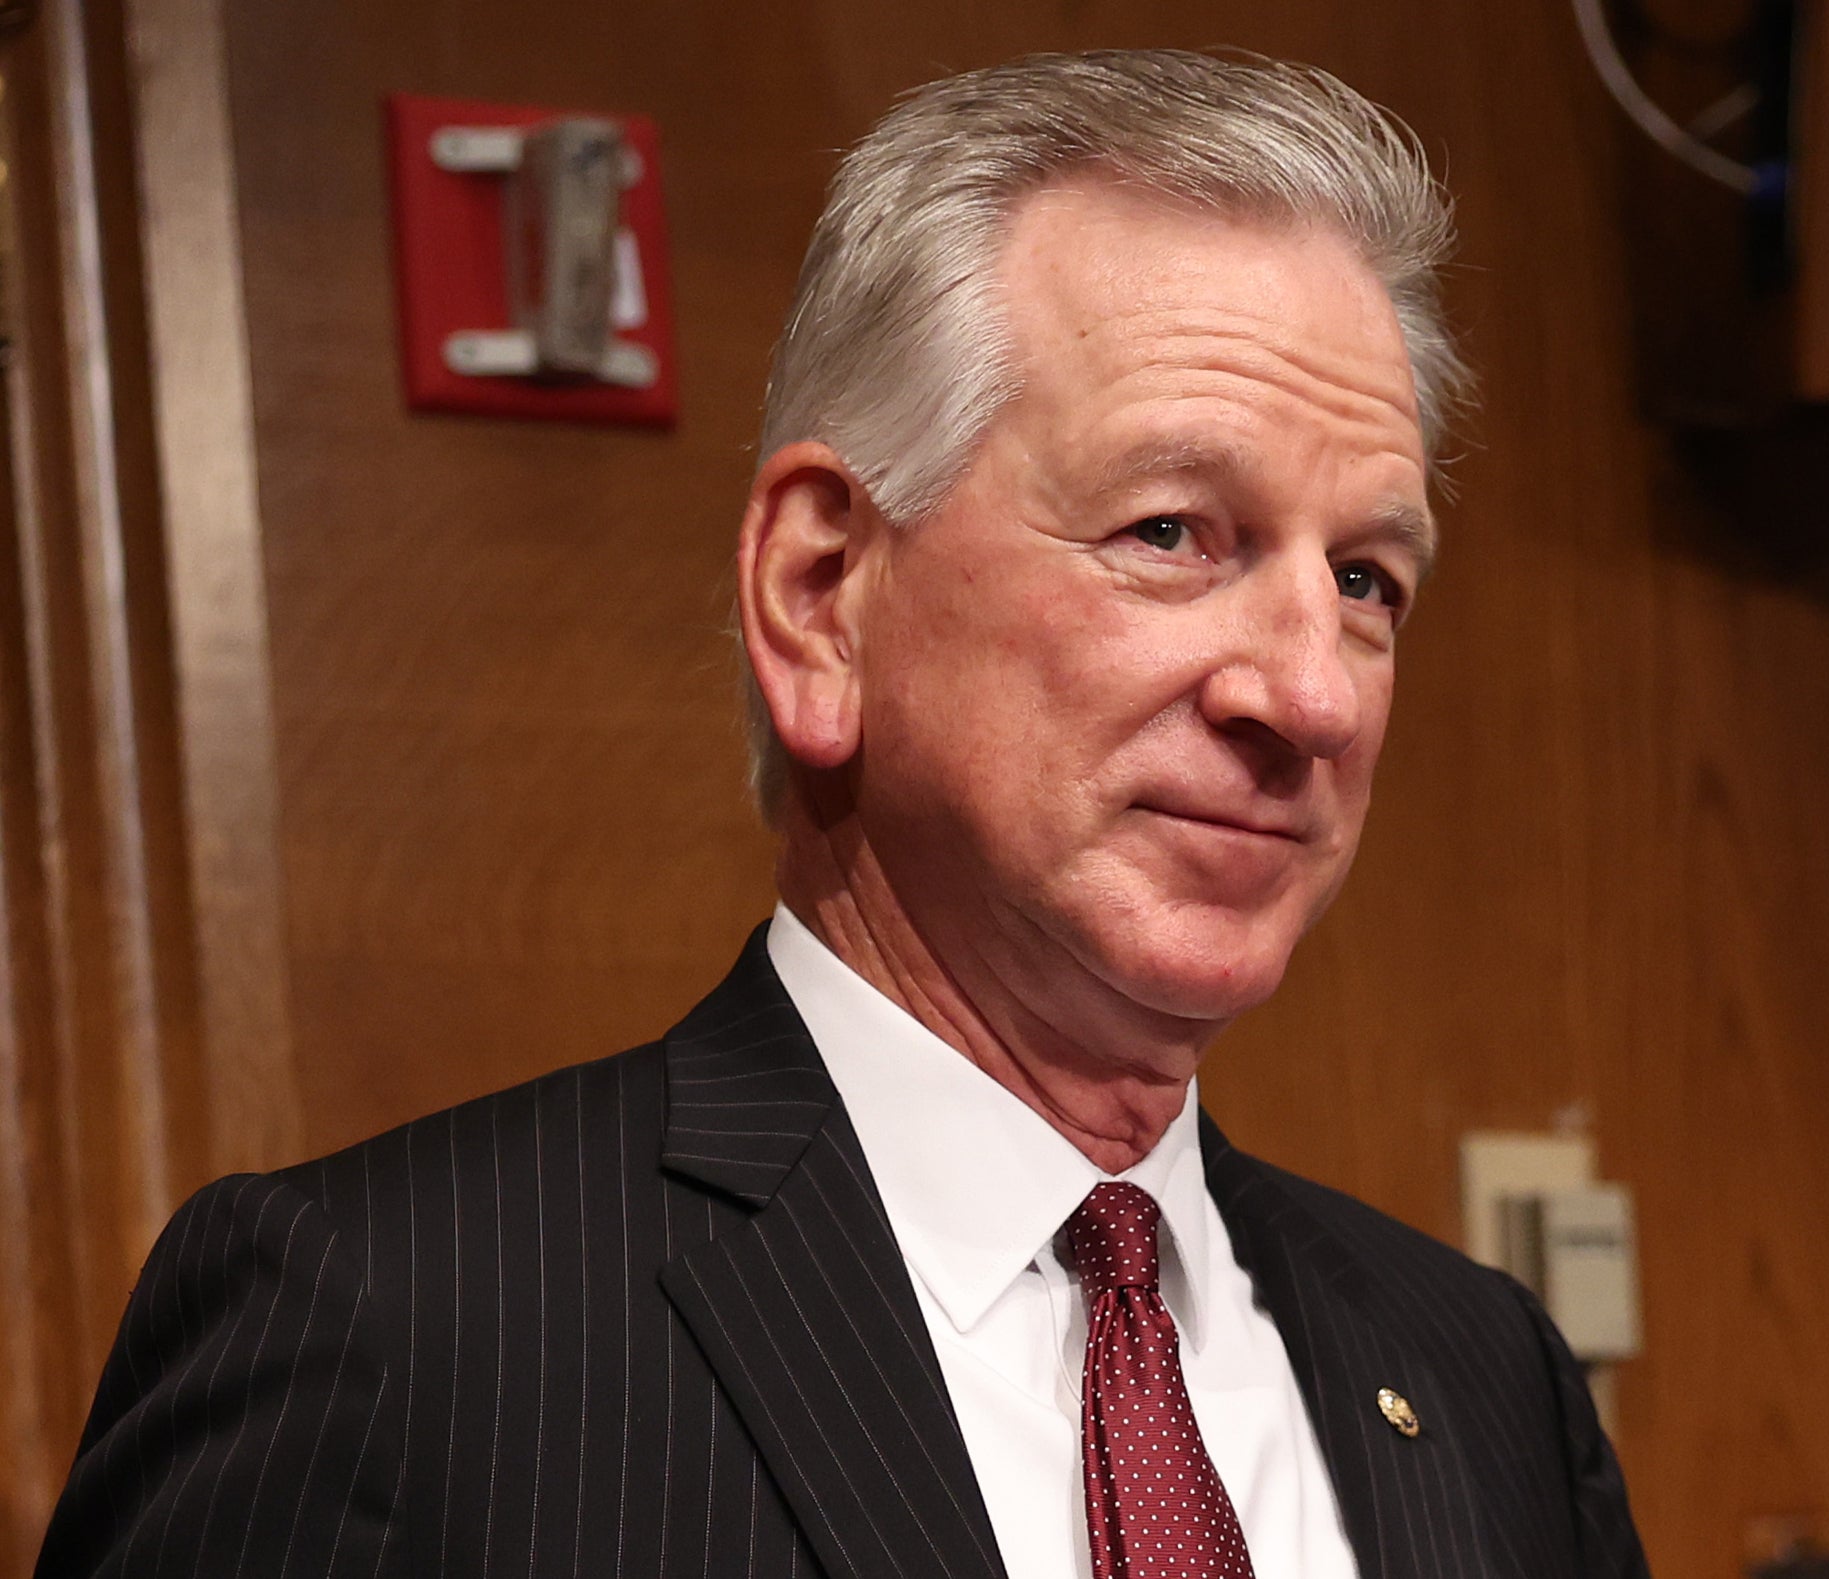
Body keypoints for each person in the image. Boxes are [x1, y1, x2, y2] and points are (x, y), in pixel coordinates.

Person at [36, 49, 1648, 1579]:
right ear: (819, 597)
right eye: (1172, 532)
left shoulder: (1483, 1377)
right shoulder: (394, 1331)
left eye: (1367, 578)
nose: (1315, 695)